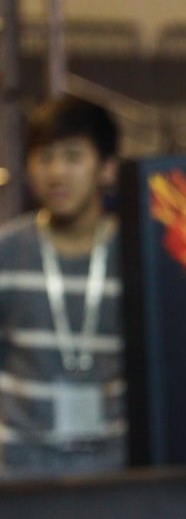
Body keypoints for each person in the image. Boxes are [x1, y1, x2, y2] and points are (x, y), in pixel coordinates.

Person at [0, 94, 126, 478]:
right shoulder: (7, 251)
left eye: (73, 157)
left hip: (117, 473)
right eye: (44, 157)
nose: (56, 172)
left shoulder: (135, 254)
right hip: (18, 475)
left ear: (107, 168)